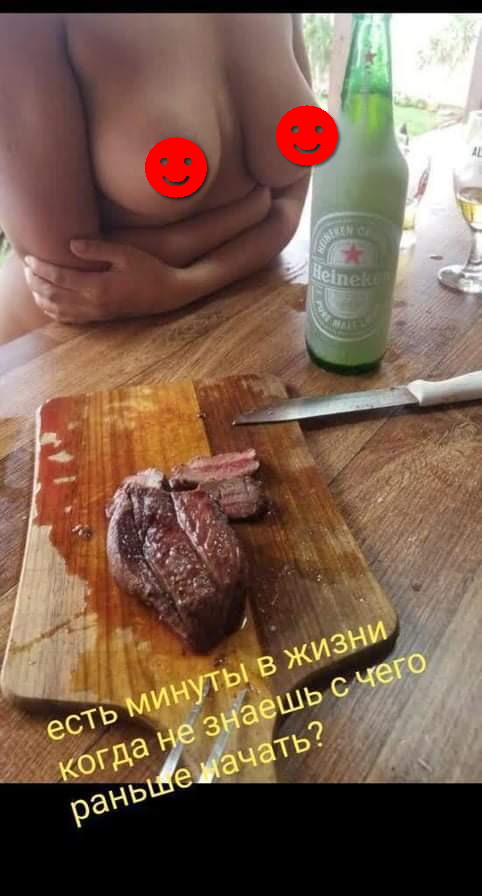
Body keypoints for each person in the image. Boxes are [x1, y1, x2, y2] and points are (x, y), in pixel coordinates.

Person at [0, 12, 315, 344]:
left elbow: (295, 188)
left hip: (245, 324)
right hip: (66, 351)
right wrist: (256, 213)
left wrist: (181, 283)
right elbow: (73, 275)